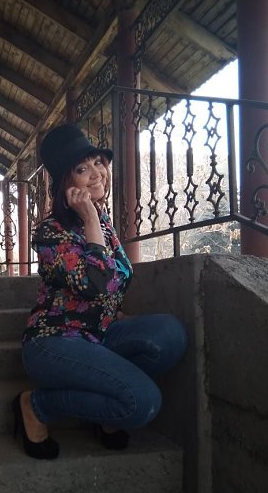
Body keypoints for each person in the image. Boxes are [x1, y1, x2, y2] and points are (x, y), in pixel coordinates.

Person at [12, 124, 187, 460]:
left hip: (99, 333)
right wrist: (91, 218)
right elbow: (95, 284)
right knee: (143, 402)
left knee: (170, 334)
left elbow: (115, 283)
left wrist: (117, 315)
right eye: (82, 169)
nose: (96, 173)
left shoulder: (104, 223)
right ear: (65, 182)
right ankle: (37, 406)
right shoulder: (50, 233)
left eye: (97, 162)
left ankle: (105, 400)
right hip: (54, 342)